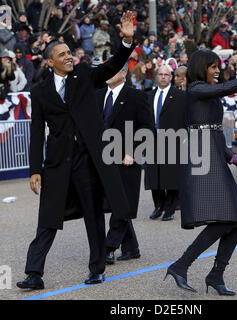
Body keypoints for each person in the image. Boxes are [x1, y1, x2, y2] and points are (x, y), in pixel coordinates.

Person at [16, 11, 135, 290]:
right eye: (62, 54)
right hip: (57, 163)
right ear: (49, 62)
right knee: (47, 218)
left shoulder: (84, 74)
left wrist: (127, 41)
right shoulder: (40, 91)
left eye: (69, 52)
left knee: (93, 216)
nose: (69, 56)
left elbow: (111, 65)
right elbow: (36, 134)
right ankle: (34, 273)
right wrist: (35, 169)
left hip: (86, 161)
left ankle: (97, 269)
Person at [164, 49, 237, 295]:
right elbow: (227, 90)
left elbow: (212, 130)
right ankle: (180, 265)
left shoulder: (207, 94)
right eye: (213, 67)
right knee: (228, 219)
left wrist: (232, 156)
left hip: (214, 156)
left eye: (219, 67)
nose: (218, 71)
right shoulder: (196, 89)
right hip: (203, 161)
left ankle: (215, 276)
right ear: (201, 68)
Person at [96, 64, 154, 265]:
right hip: (103, 158)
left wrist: (134, 152)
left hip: (127, 159)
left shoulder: (136, 97)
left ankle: (109, 247)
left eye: (112, 70)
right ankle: (131, 247)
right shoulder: (98, 95)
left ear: (123, 74)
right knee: (116, 204)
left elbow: (148, 128)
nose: (107, 74)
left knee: (122, 204)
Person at [144, 65, 186, 221]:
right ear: (157, 76)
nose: (163, 77)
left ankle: (169, 209)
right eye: (160, 74)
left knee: (171, 177)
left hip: (173, 139)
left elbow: (186, 116)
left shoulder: (179, 96)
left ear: (171, 77)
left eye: (166, 75)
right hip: (151, 140)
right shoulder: (148, 96)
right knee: (154, 176)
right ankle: (159, 206)